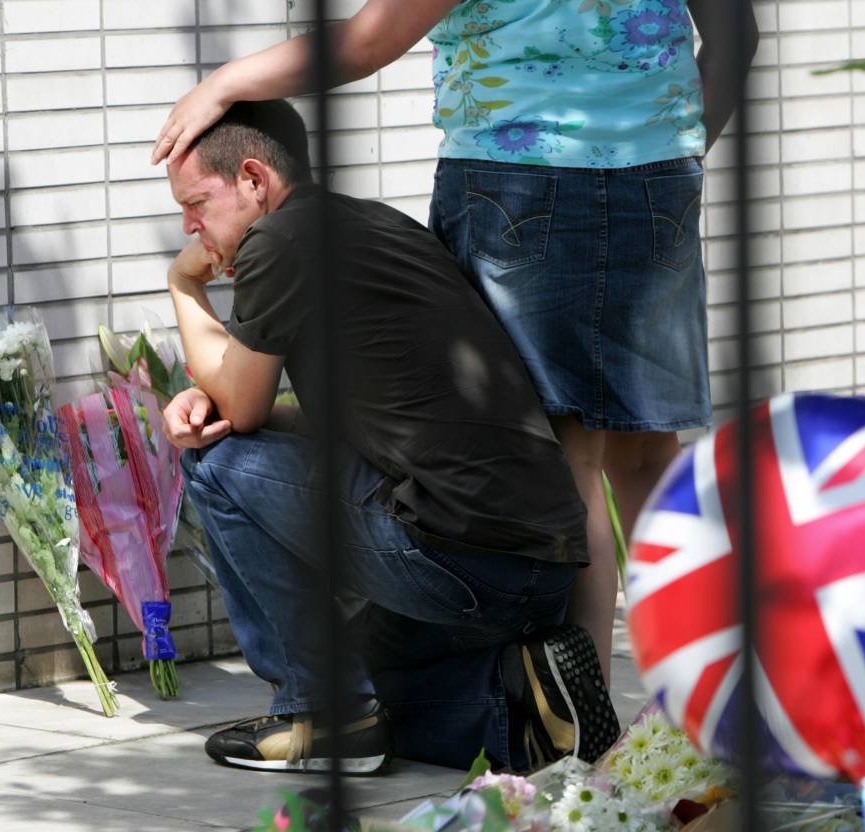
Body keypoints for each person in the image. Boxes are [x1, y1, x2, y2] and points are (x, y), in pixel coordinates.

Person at [152, 0, 759, 684]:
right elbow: (739, 34)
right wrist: (662, 152)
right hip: (657, 175)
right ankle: (704, 697)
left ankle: (580, 724)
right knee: (649, 456)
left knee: (565, 459)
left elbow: (368, 40)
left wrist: (224, 83)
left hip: (523, 176)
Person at [161, 98, 619, 774]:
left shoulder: (281, 240)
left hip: (456, 556)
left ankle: (321, 714)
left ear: (254, 180)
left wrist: (183, 286)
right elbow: (343, 418)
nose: (189, 226)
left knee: (215, 461)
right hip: (532, 568)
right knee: (372, 682)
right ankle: (525, 711)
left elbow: (244, 410)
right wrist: (226, 399)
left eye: (197, 202)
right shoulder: (361, 226)